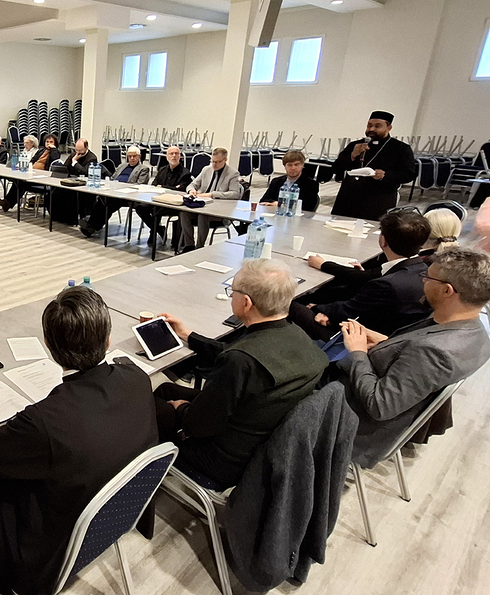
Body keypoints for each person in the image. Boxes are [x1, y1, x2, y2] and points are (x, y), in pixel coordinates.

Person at [0, 286, 160, 595]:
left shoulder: (45, 421)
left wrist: (22, 420)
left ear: (50, 347)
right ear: (107, 339)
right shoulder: (138, 379)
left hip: (47, 551)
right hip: (112, 517)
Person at [154, 259, 329, 487]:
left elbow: (197, 426)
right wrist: (188, 336)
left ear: (246, 302)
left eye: (232, 291)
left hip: (222, 459)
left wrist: (181, 408)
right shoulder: (298, 337)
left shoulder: (239, 361)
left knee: (151, 406)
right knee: (166, 389)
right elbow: (242, 355)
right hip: (258, 436)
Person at [335, 248, 490, 468]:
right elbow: (414, 365)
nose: (423, 281)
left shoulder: (434, 351)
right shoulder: (477, 334)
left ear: (447, 290)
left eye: (428, 277)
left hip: (352, 417)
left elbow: (380, 405)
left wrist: (358, 352)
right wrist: (386, 342)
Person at [291, 208, 431, 339]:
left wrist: (318, 308)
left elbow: (347, 311)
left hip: (362, 335)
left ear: (383, 241)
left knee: (292, 305)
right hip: (392, 328)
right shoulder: (424, 270)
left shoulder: (386, 285)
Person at [331, 111, 417, 221]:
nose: (371, 129)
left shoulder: (401, 149)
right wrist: (353, 155)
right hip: (347, 200)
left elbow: (408, 174)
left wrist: (385, 175)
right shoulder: (355, 145)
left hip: (377, 201)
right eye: (369, 125)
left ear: (389, 128)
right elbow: (336, 167)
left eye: (377, 126)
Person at [178, 147, 243, 251]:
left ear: (225, 160)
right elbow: (192, 184)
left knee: (203, 216)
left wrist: (212, 194)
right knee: (184, 213)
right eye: (212, 161)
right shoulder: (206, 169)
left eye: (217, 162)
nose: (214, 164)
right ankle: (189, 246)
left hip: (219, 211)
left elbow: (235, 194)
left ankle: (199, 248)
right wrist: (191, 190)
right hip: (201, 205)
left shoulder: (233, 173)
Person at [78, 146, 150, 237]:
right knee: (102, 199)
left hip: (128, 196)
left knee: (109, 202)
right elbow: (112, 178)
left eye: (134, 156)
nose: (132, 158)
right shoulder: (121, 166)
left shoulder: (143, 169)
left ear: (139, 156)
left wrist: (121, 187)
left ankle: (93, 226)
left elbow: (140, 185)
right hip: (113, 191)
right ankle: (92, 224)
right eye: (129, 156)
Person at [137, 145, 194, 246]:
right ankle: (158, 229)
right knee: (140, 207)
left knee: (156, 210)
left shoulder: (185, 173)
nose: (174, 156)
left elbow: (180, 190)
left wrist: (163, 186)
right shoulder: (162, 170)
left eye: (176, 154)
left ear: (180, 156)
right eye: (171, 154)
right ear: (167, 157)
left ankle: (153, 232)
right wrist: (170, 187)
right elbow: (154, 184)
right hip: (158, 199)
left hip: (173, 204)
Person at [0, 134, 60, 213]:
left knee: (21, 183)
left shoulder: (55, 152)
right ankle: (7, 203)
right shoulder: (41, 151)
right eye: (47, 142)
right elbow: (33, 160)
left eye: (51, 142)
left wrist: (54, 149)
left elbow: (55, 160)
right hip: (33, 173)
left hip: (43, 178)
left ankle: (8, 203)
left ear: (55, 143)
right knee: (18, 181)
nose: (49, 144)